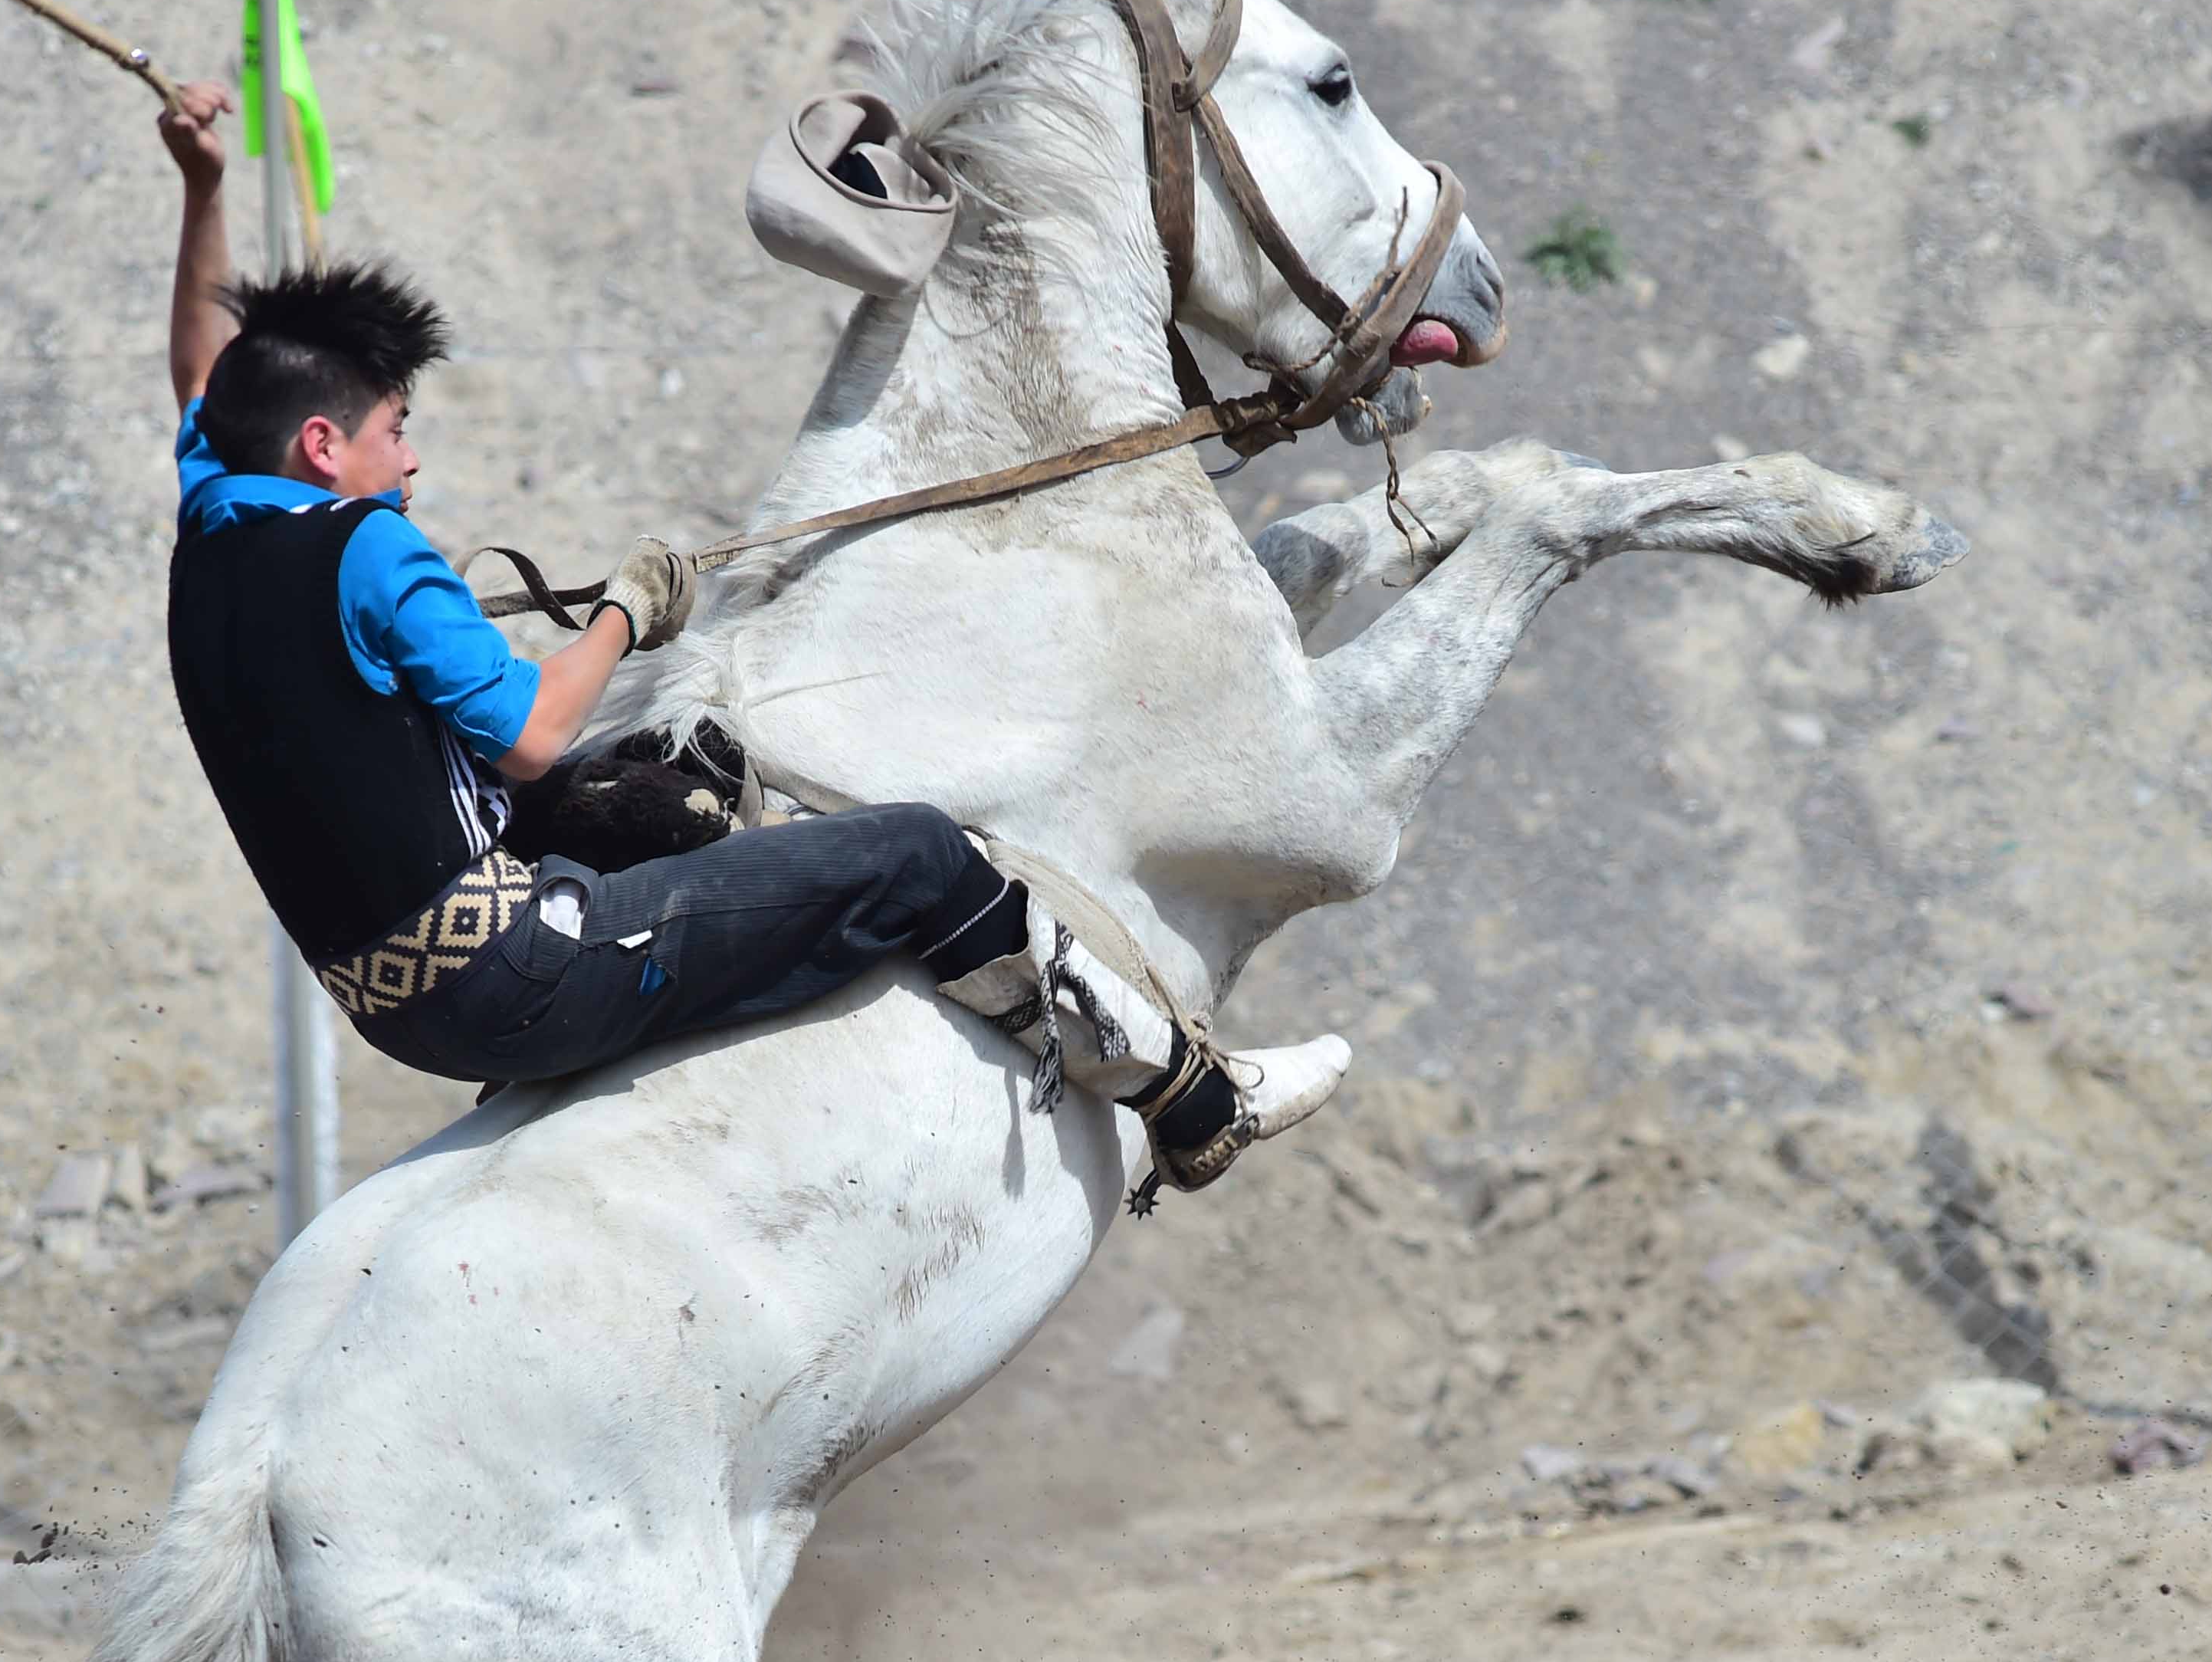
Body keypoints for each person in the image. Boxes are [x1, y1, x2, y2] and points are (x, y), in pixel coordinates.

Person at [149, 83, 1344, 1191]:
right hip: (511, 970)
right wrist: (628, 608)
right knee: (917, 853)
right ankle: (1187, 1097)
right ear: (322, 447)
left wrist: (205, 183)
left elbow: (210, 375)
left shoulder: (210, 525)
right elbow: (531, 734)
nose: (408, 462)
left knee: (682, 787)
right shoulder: (368, 546)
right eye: (393, 430)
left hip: (389, 1002)